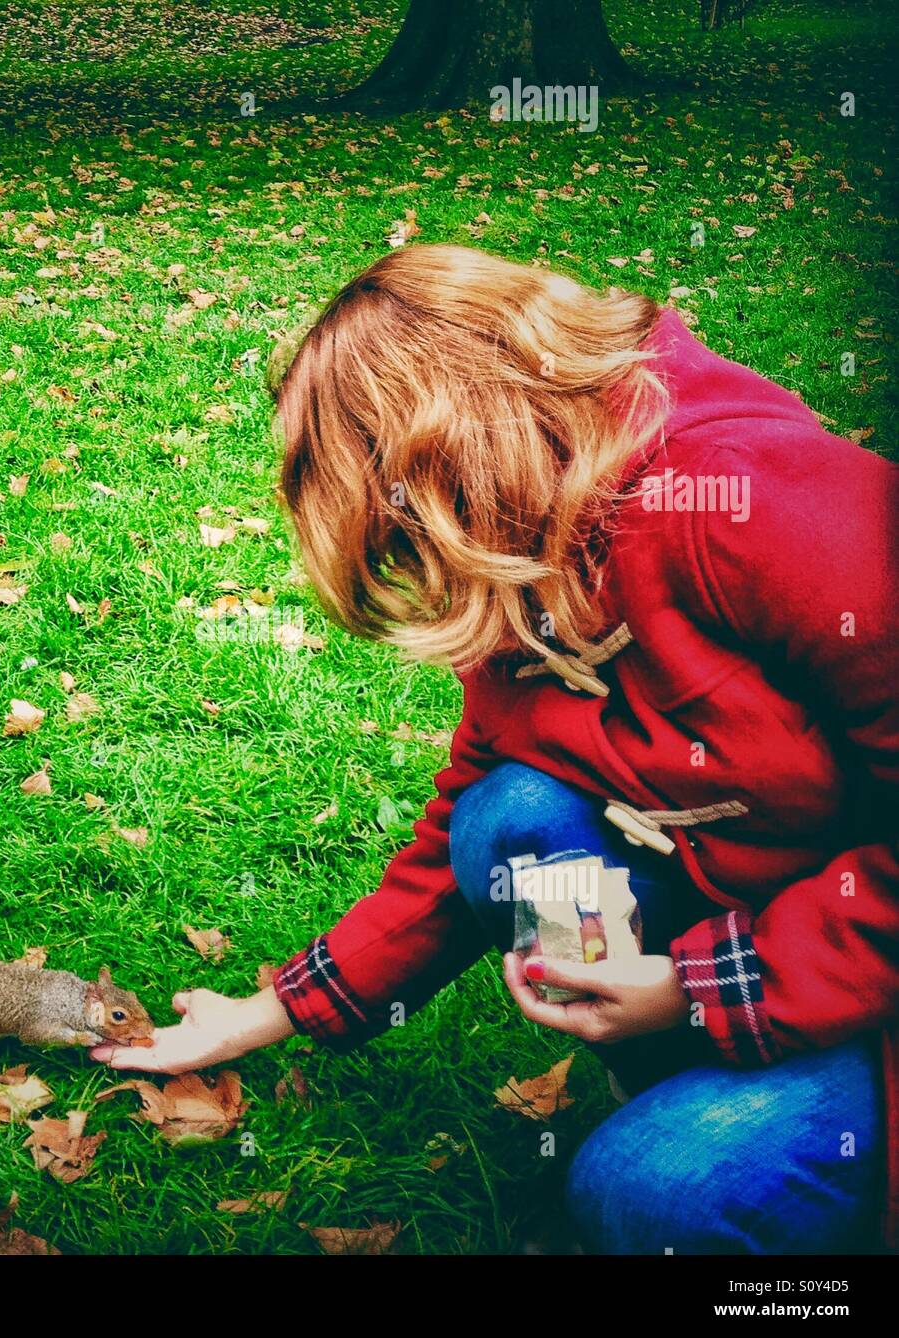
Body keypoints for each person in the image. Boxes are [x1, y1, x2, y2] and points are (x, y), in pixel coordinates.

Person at [92, 245, 899, 1253]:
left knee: (649, 1191)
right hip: (762, 919)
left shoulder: (762, 505)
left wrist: (702, 987)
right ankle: (657, 1053)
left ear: (452, 462)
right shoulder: (535, 546)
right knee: (513, 819)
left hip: (869, 971)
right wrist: (265, 1014)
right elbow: (467, 817)